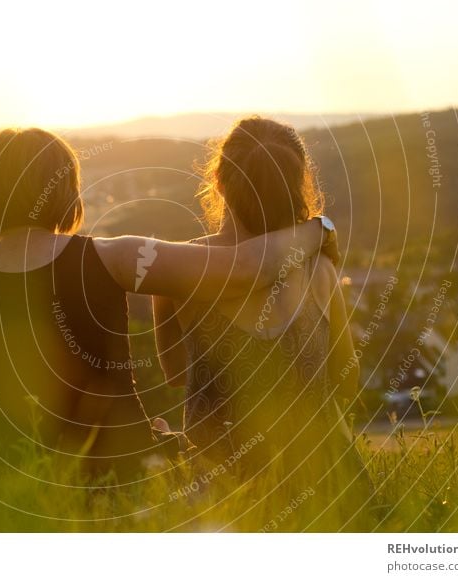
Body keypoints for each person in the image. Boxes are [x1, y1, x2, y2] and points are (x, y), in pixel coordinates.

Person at [0, 127, 336, 491]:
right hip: (127, 476)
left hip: (15, 484)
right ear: (66, 192)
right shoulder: (113, 258)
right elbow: (247, 268)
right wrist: (319, 229)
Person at [153, 117, 372, 530]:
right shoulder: (321, 270)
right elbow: (346, 380)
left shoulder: (179, 275)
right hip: (328, 491)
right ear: (297, 186)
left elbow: (176, 375)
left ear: (217, 180)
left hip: (224, 498)